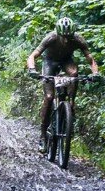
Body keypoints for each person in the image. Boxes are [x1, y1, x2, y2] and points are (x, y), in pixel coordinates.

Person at [27, 17, 99, 152]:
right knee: (49, 97)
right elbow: (33, 55)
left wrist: (95, 73)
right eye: (63, 37)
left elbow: (90, 58)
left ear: (73, 34)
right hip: (49, 62)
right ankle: (43, 136)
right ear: (58, 33)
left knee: (74, 73)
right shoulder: (51, 37)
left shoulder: (78, 39)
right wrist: (32, 69)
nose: (66, 40)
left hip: (66, 61)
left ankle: (71, 102)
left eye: (69, 37)